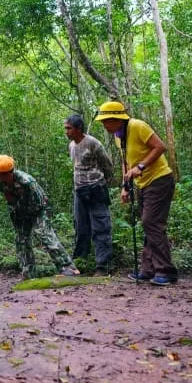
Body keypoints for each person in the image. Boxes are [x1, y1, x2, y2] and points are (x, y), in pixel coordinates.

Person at [95, 101, 178, 286]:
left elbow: (160, 147)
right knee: (147, 224)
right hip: (142, 184)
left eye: (106, 121)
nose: (104, 125)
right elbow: (127, 162)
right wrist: (126, 186)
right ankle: (148, 270)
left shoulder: (137, 126)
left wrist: (141, 166)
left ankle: (166, 270)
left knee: (151, 222)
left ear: (116, 119)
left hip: (159, 179)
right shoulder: (119, 136)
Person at [64, 114, 114, 276]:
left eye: (69, 128)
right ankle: (80, 263)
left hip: (96, 189)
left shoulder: (93, 143)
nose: (66, 131)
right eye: (66, 128)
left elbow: (107, 165)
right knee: (81, 227)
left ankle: (103, 266)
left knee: (101, 227)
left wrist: (101, 182)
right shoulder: (71, 145)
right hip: (79, 191)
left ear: (79, 128)